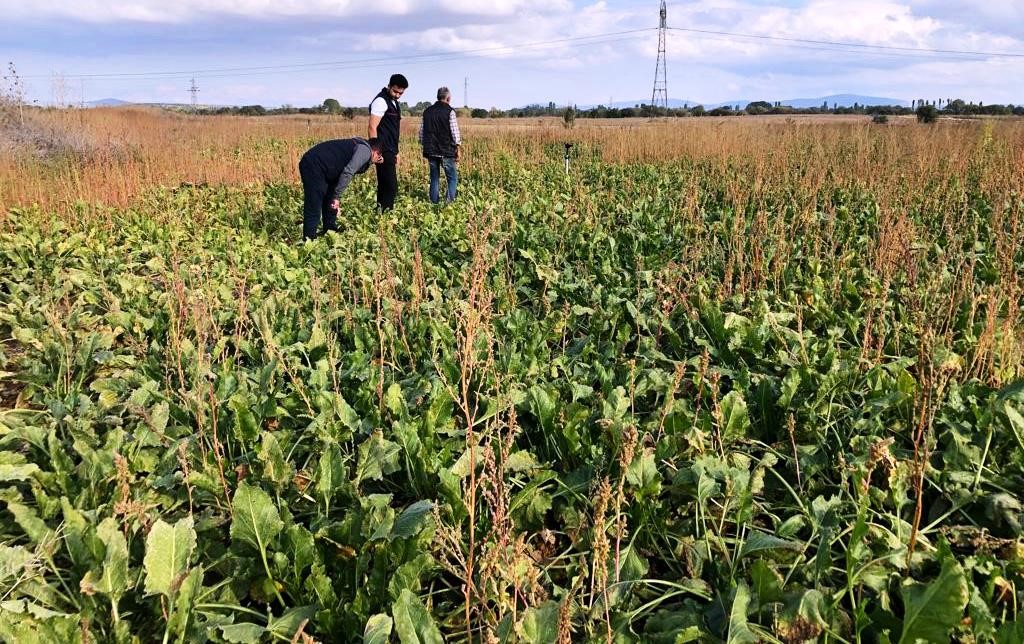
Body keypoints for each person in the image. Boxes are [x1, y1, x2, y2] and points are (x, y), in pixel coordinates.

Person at [298, 137, 383, 240]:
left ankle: (330, 231)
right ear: (376, 152)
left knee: (330, 198)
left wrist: (334, 196)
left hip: (326, 168)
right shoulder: (365, 151)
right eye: (379, 156)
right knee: (314, 203)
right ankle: (309, 240)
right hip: (314, 165)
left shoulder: (361, 146)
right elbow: (348, 171)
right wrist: (337, 196)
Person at [368, 73, 408, 211]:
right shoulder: (381, 101)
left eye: (400, 93)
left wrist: (396, 152)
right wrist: (375, 151)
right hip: (382, 150)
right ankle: (386, 214)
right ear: (389, 85)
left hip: (390, 149)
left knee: (385, 184)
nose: (397, 95)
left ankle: (380, 212)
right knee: (390, 186)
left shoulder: (394, 102)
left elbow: (393, 130)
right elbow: (372, 127)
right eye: (395, 91)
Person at [419, 86, 461, 204]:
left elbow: (421, 133)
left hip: (431, 151)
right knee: (452, 178)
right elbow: (455, 132)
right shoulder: (450, 111)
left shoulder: (427, 111)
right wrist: (457, 148)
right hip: (446, 151)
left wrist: (425, 145)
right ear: (448, 98)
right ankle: (449, 204)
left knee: (434, 178)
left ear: (438, 97)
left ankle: (434, 203)